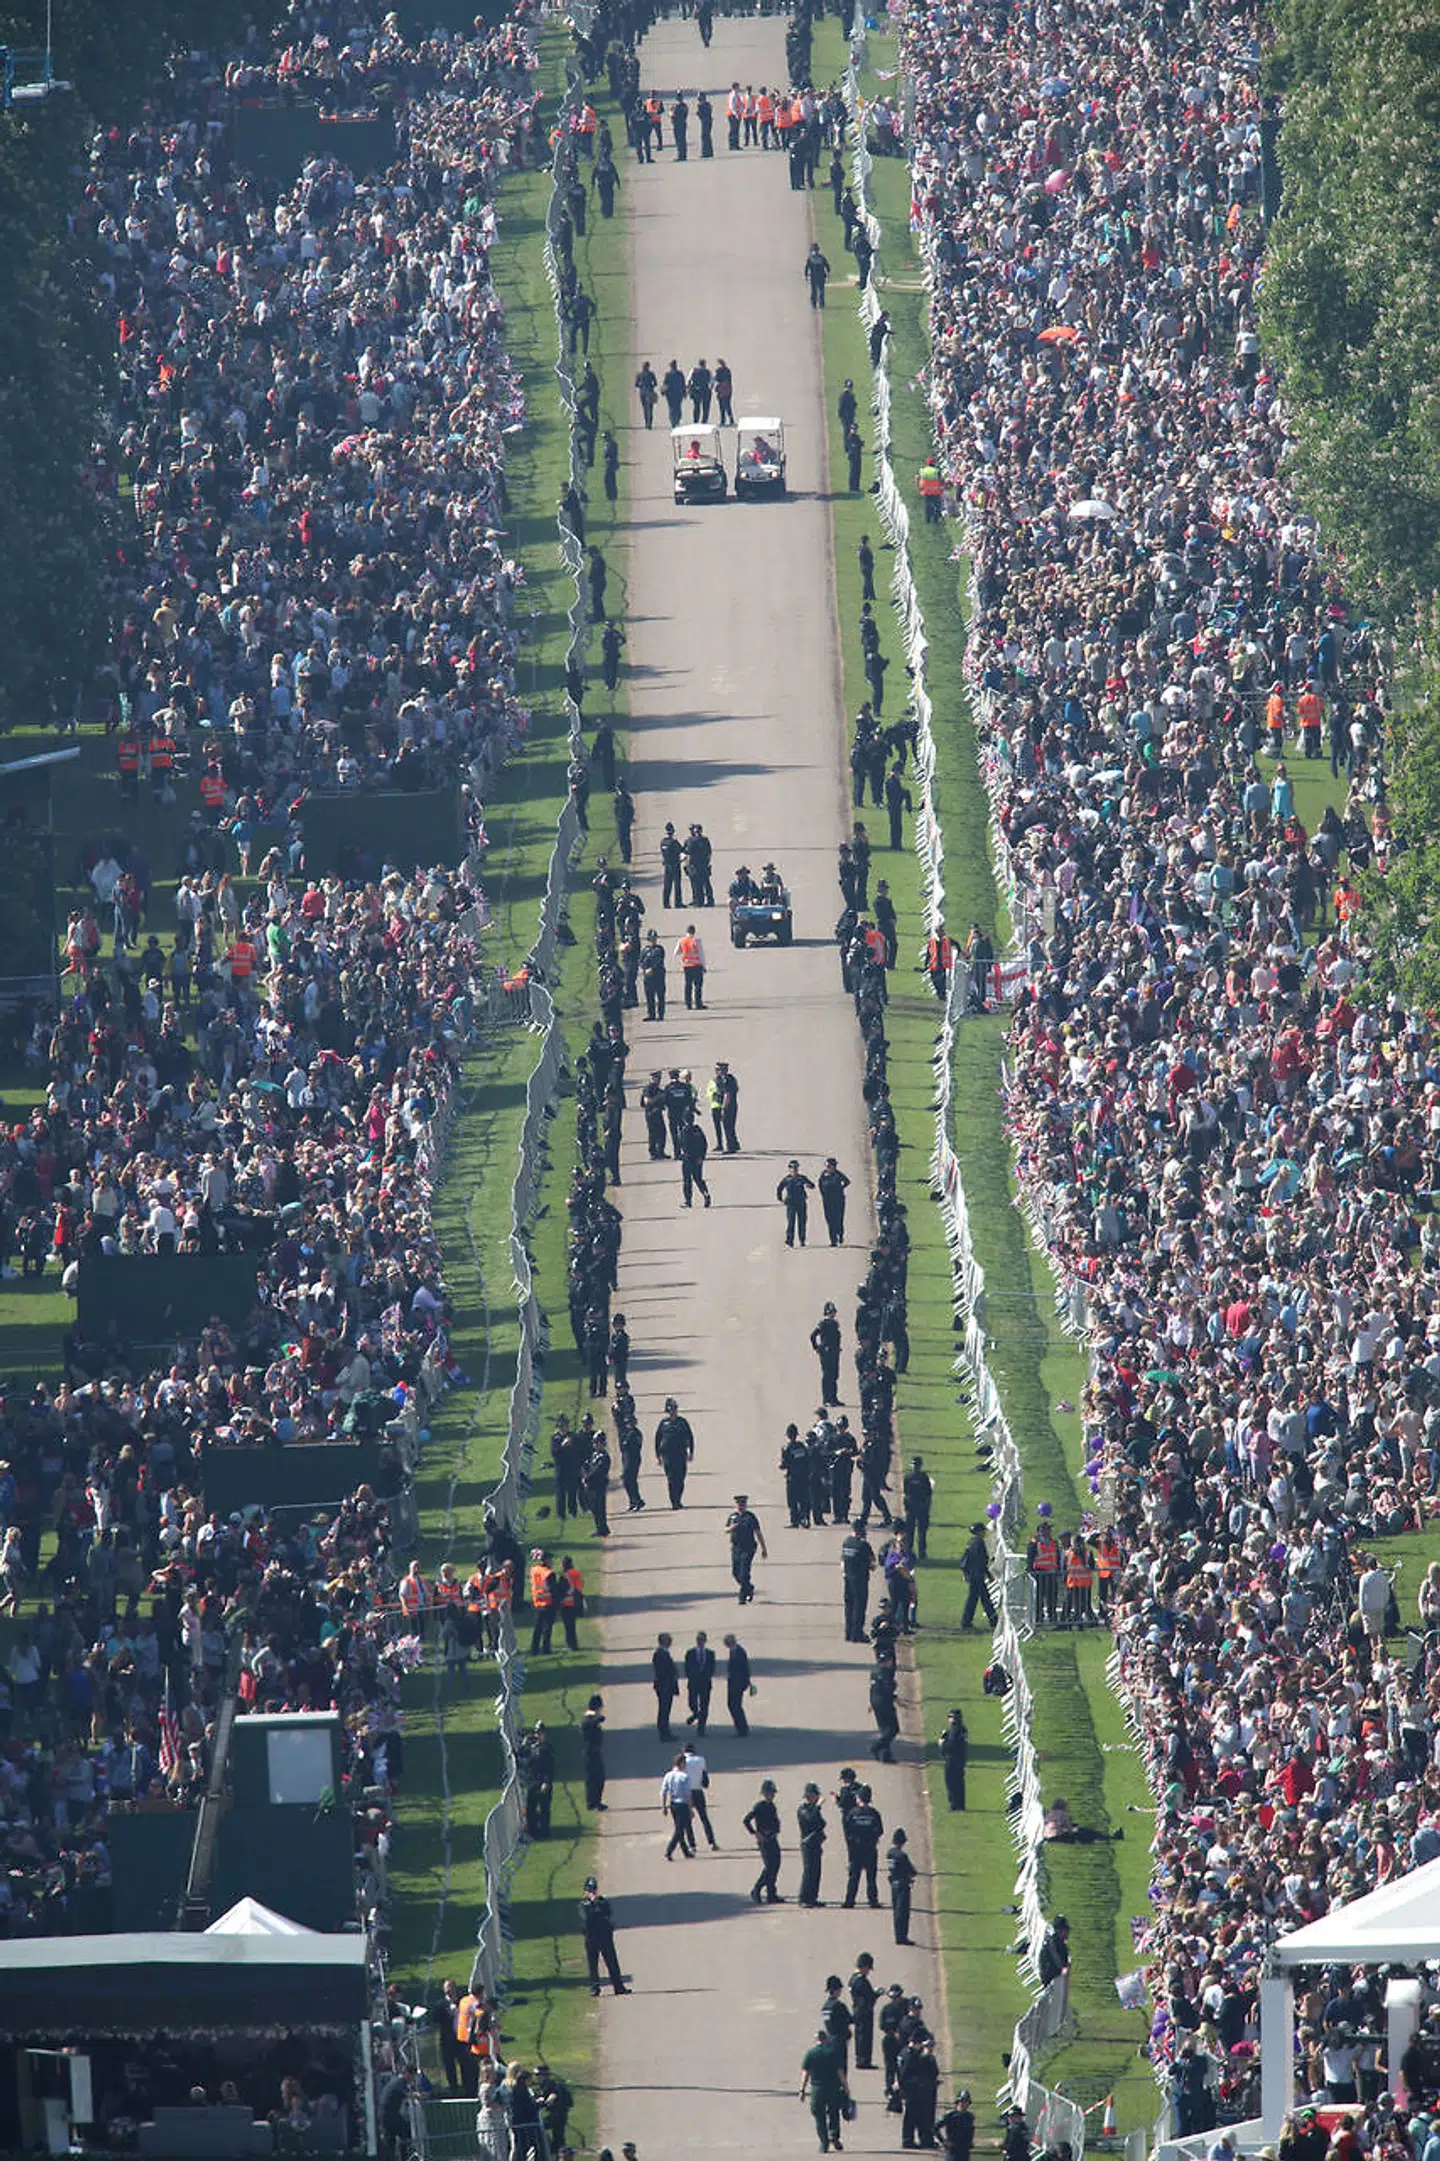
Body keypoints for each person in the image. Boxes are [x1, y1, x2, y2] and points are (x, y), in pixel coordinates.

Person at [800, 2028, 847, 2153]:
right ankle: (834, 2135)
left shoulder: (810, 2053)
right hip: (833, 2088)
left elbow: (805, 2073)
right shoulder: (833, 2052)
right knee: (834, 2113)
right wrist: (846, 2087)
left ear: (816, 2040)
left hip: (817, 2089)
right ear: (826, 2039)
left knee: (819, 2116)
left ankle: (824, 2142)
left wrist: (802, 2090)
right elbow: (840, 2072)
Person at [579, 1876, 628, 1995]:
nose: (592, 1892)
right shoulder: (583, 1904)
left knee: (612, 1962)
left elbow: (607, 1912)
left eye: (593, 1889)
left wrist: (596, 1905)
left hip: (604, 1936)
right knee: (593, 1964)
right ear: (585, 1891)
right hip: (591, 1937)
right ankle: (595, 1988)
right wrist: (595, 1907)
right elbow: (587, 1917)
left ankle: (618, 1986)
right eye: (590, 1890)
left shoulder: (603, 1901)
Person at [843, 1783, 884, 1908]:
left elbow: (847, 1830)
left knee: (854, 1876)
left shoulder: (852, 1813)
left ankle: (850, 1900)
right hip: (870, 1848)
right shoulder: (874, 1813)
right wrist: (872, 1838)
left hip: (856, 1850)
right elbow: (880, 1830)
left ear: (859, 1798)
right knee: (871, 1877)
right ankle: (873, 1900)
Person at [744, 1777, 783, 1902]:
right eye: (769, 1793)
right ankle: (757, 1889)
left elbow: (776, 1821)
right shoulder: (759, 1806)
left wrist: (776, 1831)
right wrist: (754, 1833)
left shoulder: (772, 1806)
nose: (771, 1796)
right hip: (764, 1840)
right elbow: (746, 1820)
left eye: (772, 1793)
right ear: (764, 1793)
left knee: (776, 1864)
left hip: (772, 1838)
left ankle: (771, 1893)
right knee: (769, 1866)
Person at [726, 1494, 766, 1604]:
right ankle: (749, 1588)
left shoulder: (750, 1517)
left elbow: (758, 1532)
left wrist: (764, 1548)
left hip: (748, 1548)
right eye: (739, 1504)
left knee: (744, 1572)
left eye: (743, 1504)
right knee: (735, 1573)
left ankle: (742, 1596)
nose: (741, 1506)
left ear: (746, 1504)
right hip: (736, 1547)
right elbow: (726, 1529)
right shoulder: (733, 1517)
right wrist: (731, 1528)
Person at [655, 1396, 695, 1506]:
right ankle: (674, 1502)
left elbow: (690, 1437)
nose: (672, 1413)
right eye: (670, 1410)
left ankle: (678, 1498)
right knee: (671, 1478)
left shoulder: (682, 1422)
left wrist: (691, 1452)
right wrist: (658, 1456)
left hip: (681, 1454)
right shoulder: (663, 1424)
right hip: (667, 1455)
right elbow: (657, 1439)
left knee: (680, 1479)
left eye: (674, 1410)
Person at [842, 1520, 875, 1642]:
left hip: (847, 1578)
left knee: (848, 1605)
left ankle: (848, 1632)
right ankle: (857, 1634)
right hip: (860, 1579)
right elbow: (872, 1563)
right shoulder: (864, 1545)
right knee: (859, 1606)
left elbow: (842, 1562)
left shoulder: (846, 1542)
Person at [960, 1521, 997, 1629]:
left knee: (975, 1598)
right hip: (977, 1575)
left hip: (973, 1574)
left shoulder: (971, 1542)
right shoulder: (979, 1543)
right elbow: (981, 1561)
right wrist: (988, 1574)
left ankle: (968, 1621)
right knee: (983, 1598)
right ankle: (992, 1619)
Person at [661, 1751, 695, 1858]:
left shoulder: (668, 1775)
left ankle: (685, 1852)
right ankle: (669, 1850)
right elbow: (688, 1794)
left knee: (679, 1828)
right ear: (681, 1763)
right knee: (679, 1830)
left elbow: (664, 1791)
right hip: (682, 1805)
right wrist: (690, 1808)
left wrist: (664, 1806)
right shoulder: (684, 1777)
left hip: (673, 1805)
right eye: (684, 1763)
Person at [798, 1781, 827, 1906]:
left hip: (816, 1842)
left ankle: (812, 1898)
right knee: (809, 1870)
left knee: (816, 1871)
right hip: (807, 1843)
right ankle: (803, 1898)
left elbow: (821, 1823)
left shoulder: (813, 1809)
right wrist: (818, 1807)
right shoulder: (803, 1809)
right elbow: (810, 1819)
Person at [887, 1827, 917, 1944]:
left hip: (893, 1884)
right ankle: (902, 1937)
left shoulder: (890, 1853)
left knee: (896, 1912)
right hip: (903, 1885)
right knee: (903, 1913)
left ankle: (897, 1936)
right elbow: (912, 1871)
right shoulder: (902, 1856)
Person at [849, 1954, 879, 2069]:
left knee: (859, 2035)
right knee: (865, 2037)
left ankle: (860, 2058)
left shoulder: (853, 1979)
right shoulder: (862, 1981)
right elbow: (869, 1997)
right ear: (864, 1966)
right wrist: (876, 1994)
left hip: (857, 2010)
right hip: (864, 2011)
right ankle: (864, 2060)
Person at [778, 1159, 815, 1246]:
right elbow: (779, 1188)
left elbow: (812, 1185)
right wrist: (780, 1199)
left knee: (802, 1221)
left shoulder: (802, 1178)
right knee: (791, 1222)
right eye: (792, 1167)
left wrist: (808, 1185)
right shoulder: (786, 1179)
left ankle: (802, 1240)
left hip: (801, 1202)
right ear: (789, 1169)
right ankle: (790, 1240)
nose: (794, 1169)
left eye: (796, 1167)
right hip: (791, 1203)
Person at [684, 1630, 715, 1733]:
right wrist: (691, 1677)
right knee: (692, 1703)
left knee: (704, 1705)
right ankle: (695, 1714)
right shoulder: (690, 1653)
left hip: (705, 1683)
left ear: (705, 1641)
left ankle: (701, 1728)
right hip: (693, 1682)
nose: (700, 1641)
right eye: (698, 1639)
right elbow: (687, 1668)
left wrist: (706, 1677)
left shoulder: (710, 1653)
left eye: (702, 1640)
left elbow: (712, 1668)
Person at [812, 1302, 843, 1404]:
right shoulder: (823, 1324)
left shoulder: (835, 1324)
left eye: (833, 1312)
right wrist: (816, 1347)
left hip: (835, 1352)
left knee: (834, 1375)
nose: (832, 1314)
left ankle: (834, 1398)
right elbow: (813, 1336)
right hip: (826, 1353)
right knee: (827, 1376)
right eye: (830, 1312)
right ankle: (826, 1399)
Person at [723, 1630, 753, 1732]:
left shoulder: (739, 1652)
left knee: (735, 1705)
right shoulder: (733, 1651)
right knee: (732, 1705)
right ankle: (740, 1727)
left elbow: (745, 1668)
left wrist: (746, 1682)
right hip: (733, 1683)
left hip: (738, 1683)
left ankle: (743, 1728)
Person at [581, 1694, 607, 1810]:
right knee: (595, 1778)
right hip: (591, 1752)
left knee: (597, 1777)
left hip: (595, 1751)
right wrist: (595, 1716)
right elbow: (593, 1722)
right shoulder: (588, 1720)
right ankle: (593, 1802)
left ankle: (594, 1801)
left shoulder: (591, 1719)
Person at [938, 1709, 968, 1811]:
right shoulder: (962, 1729)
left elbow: (951, 1746)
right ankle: (960, 1804)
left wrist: (942, 1743)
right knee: (959, 1782)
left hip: (952, 1760)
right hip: (960, 1759)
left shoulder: (955, 1730)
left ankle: (954, 1804)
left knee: (951, 1782)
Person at [652, 1632, 679, 1739]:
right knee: (664, 1709)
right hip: (664, 1686)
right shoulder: (660, 1654)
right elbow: (662, 1672)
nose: (670, 1641)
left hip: (666, 1686)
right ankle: (664, 1732)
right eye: (668, 1640)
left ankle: (665, 1730)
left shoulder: (664, 1653)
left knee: (665, 1709)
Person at [679, 1118, 712, 1208]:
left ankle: (688, 1201)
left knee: (687, 1180)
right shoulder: (698, 1130)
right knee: (698, 1179)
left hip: (688, 1159)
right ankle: (705, 1193)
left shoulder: (684, 1131)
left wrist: (681, 1155)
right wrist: (702, 1156)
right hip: (698, 1158)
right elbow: (704, 1143)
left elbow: (683, 1144)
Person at [819, 1158, 850, 1245]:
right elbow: (820, 1184)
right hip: (827, 1200)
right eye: (827, 1166)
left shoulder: (838, 1174)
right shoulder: (823, 1174)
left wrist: (840, 1188)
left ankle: (840, 1234)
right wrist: (823, 1194)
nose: (828, 1168)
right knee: (829, 1219)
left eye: (830, 1166)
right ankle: (833, 1240)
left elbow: (847, 1181)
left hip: (838, 1200)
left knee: (838, 1219)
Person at [938, 2090, 975, 2161]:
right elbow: (935, 2127)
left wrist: (970, 2142)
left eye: (966, 2101)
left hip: (965, 2150)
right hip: (953, 2149)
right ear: (958, 2102)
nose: (964, 2104)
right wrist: (943, 2141)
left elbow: (971, 2131)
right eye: (962, 2101)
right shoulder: (950, 2115)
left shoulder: (970, 2116)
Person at [676, 924, 706, 1008]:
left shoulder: (682, 940)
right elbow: (701, 954)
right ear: (694, 931)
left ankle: (688, 1004)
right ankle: (698, 1003)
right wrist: (704, 966)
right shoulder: (696, 940)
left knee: (688, 985)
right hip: (696, 965)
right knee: (698, 985)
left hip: (687, 965)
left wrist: (684, 952)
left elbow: (676, 952)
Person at [805, 241, 831, 309]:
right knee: (819, 291)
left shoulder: (810, 258)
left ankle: (815, 304)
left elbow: (807, 267)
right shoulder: (821, 258)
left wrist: (806, 276)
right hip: (820, 277)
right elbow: (827, 266)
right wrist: (828, 273)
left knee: (815, 291)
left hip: (815, 277)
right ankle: (820, 304)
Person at [635, 362, 658, 429]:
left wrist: (641, 385)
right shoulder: (651, 374)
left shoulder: (639, 375)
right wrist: (651, 386)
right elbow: (655, 383)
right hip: (650, 391)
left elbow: (636, 384)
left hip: (642, 392)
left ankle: (646, 423)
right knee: (650, 408)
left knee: (645, 408)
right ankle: (649, 423)